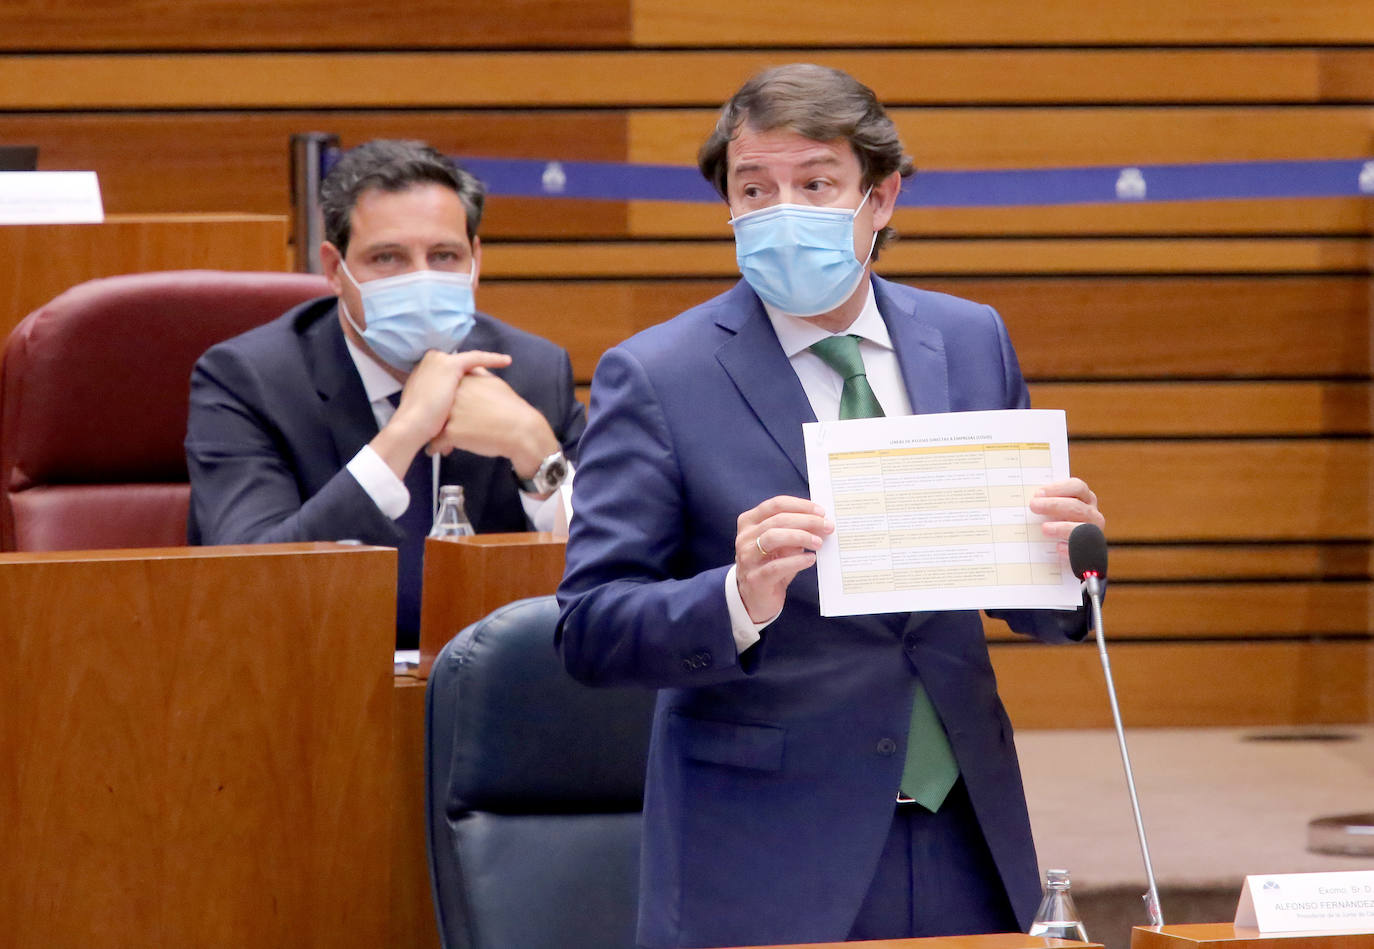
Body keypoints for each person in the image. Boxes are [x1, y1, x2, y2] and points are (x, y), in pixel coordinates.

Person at [556, 64, 1106, 948]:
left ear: (880, 198)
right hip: (767, 845)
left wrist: (1069, 555)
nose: (782, 210)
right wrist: (737, 599)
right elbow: (588, 627)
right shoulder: (657, 374)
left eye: (814, 184)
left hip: (962, 818)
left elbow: (1041, 608)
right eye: (754, 189)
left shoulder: (969, 339)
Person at [187, 140, 584, 647]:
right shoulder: (250, 380)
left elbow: (618, 571)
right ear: (334, 269)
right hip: (313, 676)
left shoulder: (530, 370)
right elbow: (246, 577)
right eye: (387, 258)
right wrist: (404, 434)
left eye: (444, 255)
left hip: (492, 693)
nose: (420, 279)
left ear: (475, 260)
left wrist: (535, 450)